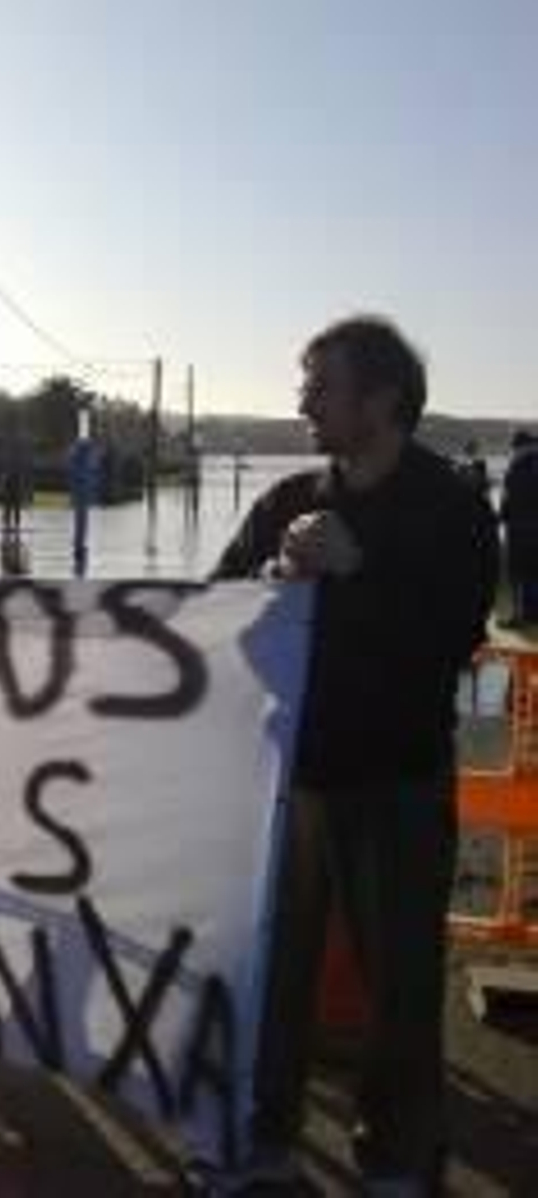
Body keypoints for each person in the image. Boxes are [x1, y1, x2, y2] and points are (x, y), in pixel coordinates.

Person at [206, 317, 498, 1193]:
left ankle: (399, 1161)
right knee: (274, 973)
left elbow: (450, 640)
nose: (301, 402)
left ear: (383, 400)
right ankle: (267, 1141)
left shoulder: (450, 508)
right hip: (290, 782)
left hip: (399, 781)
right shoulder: (286, 500)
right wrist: (270, 586)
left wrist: (359, 568)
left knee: (401, 985)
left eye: (320, 385)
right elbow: (212, 611)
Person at [499, 430, 538, 626]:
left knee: (517, 575)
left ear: (519, 446)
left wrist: (501, 517)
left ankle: (518, 616)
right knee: (534, 574)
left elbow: (509, 497)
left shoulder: (517, 465)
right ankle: (533, 615)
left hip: (520, 529)